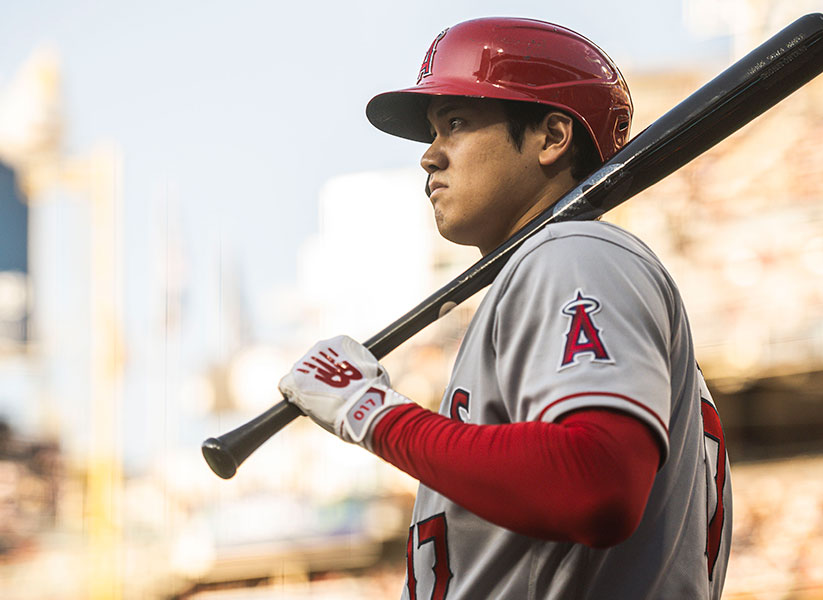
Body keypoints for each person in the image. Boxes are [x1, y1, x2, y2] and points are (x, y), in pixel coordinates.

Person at [279, 17, 732, 599]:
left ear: (551, 137)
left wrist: (374, 413)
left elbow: (596, 484)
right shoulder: (555, 269)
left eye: (457, 123)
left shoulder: (574, 254)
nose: (430, 157)